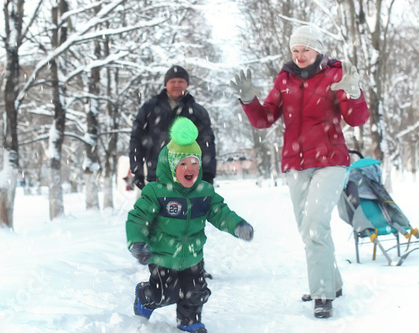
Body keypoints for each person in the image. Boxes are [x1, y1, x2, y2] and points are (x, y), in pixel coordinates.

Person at [230, 25, 369, 319]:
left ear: (317, 49)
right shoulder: (285, 79)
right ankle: (332, 282)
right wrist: (248, 100)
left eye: (305, 49)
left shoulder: (335, 74)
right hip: (296, 164)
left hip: (330, 160)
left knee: (316, 226)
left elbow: (356, 118)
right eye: (295, 49)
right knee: (308, 230)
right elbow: (265, 118)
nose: (300, 54)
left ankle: (322, 294)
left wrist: (354, 92)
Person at [126, 117, 254, 333]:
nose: (190, 168)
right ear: (170, 165)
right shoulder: (157, 192)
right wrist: (138, 242)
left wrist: (237, 225)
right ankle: (145, 296)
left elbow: (220, 212)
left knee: (195, 292)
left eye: (194, 163)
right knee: (164, 294)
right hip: (163, 256)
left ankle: (189, 321)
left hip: (193, 255)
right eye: (183, 163)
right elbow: (138, 218)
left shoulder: (204, 192)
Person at [129, 65, 216, 190]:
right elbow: (136, 140)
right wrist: (137, 171)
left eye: (181, 81)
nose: (177, 85)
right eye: (172, 81)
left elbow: (207, 144)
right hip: (156, 177)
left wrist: (208, 174)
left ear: (187, 84)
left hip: (189, 179)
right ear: (165, 84)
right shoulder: (149, 108)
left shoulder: (198, 112)